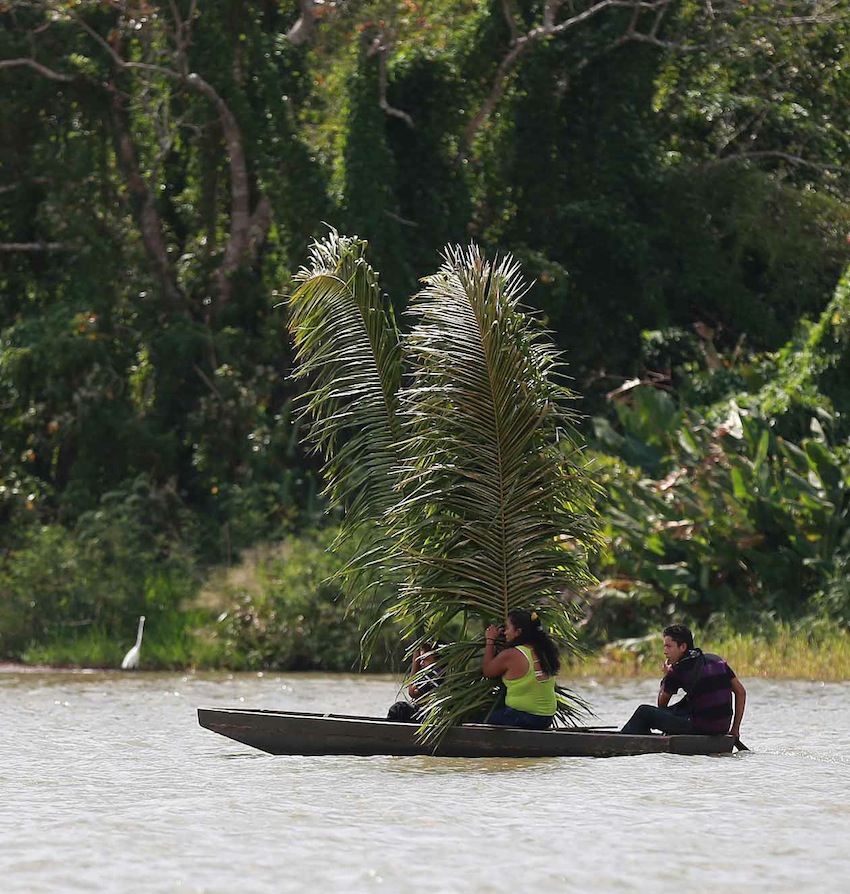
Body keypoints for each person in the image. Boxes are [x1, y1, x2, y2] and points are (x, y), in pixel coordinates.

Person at [620, 624, 746, 739]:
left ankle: (625, 744)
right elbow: (741, 692)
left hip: (701, 727)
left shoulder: (678, 669)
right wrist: (735, 729)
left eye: (669, 646)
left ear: (683, 647)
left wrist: (666, 676)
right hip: (721, 727)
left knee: (644, 712)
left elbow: (662, 704)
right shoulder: (717, 661)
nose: (665, 651)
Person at [481, 609, 559, 730]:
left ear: (518, 632)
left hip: (523, 717)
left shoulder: (513, 654)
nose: (505, 632)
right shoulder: (544, 651)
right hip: (546, 718)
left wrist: (490, 640)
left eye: (507, 628)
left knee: (475, 719)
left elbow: (488, 671)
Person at [387, 642, 443, 722]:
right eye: (420, 659)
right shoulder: (443, 671)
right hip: (432, 714)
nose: (421, 663)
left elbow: (412, 692)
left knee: (398, 708)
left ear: (437, 660)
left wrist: (415, 662)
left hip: (430, 716)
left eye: (425, 659)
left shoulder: (434, 673)